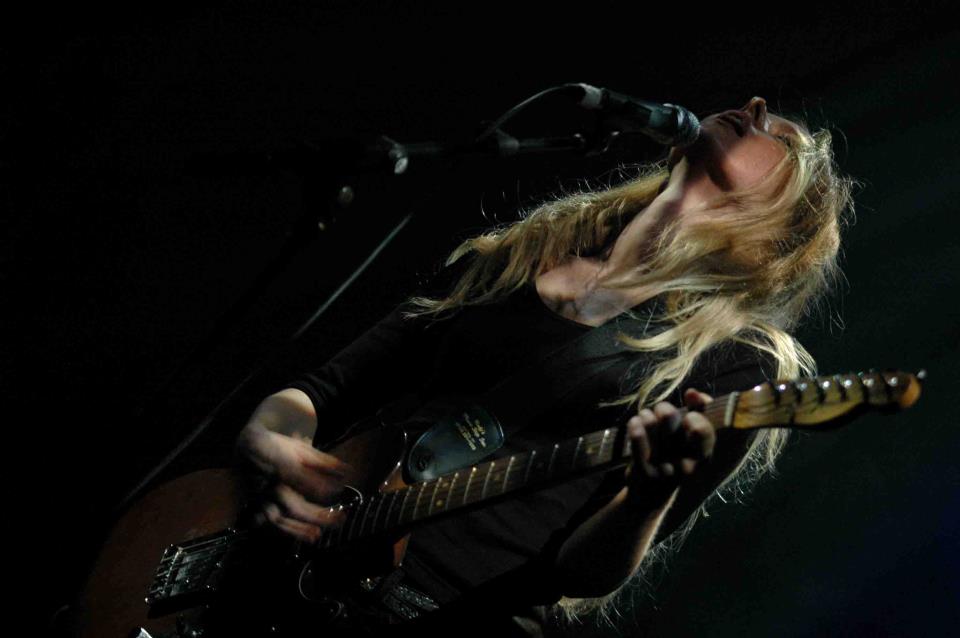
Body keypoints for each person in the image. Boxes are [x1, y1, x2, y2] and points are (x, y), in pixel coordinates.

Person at [234, 96, 855, 636]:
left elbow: (581, 574)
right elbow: (328, 389)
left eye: (781, 138)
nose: (754, 106)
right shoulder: (533, 249)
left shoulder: (736, 363)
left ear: (783, 225)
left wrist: (649, 495)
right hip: (298, 576)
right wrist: (270, 438)